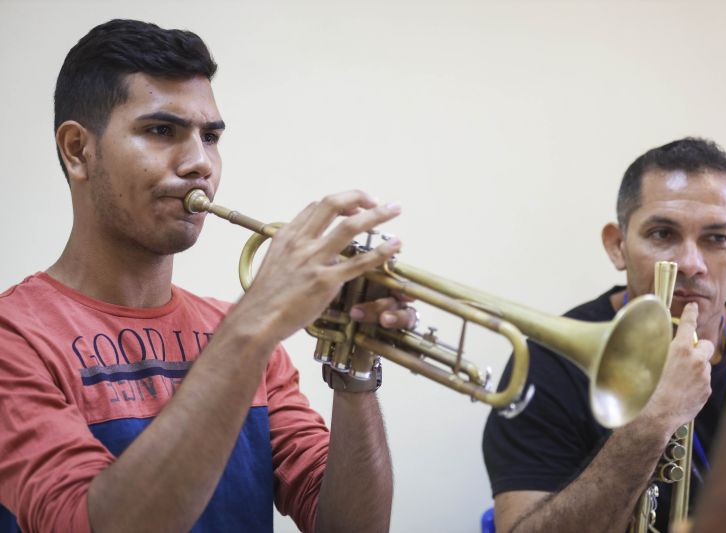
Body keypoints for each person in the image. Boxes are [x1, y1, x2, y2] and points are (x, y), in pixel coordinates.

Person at [0, 19, 415, 533]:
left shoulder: (239, 333)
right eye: (160, 130)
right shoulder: (14, 337)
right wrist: (253, 324)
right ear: (78, 151)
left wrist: (356, 371)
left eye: (211, 136)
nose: (200, 163)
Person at [482, 137, 726, 533]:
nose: (690, 263)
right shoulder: (549, 361)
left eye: (716, 239)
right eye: (663, 234)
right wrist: (652, 423)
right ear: (617, 246)